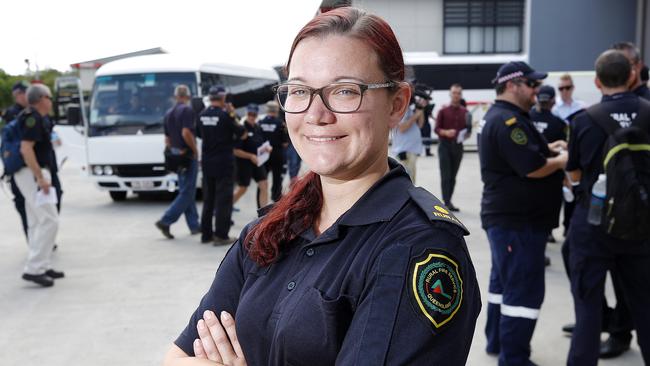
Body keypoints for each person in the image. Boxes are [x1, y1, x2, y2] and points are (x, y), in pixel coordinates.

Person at [164, 7, 480, 365]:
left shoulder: (417, 247)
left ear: (397, 104)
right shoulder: (270, 229)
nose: (316, 115)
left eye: (345, 91)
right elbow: (179, 358)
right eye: (299, 91)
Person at [479, 61, 568, 366]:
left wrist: (550, 147)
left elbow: (527, 153)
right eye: (531, 85)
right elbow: (532, 167)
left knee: (503, 284)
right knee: (523, 291)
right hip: (518, 222)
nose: (537, 91)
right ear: (513, 85)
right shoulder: (508, 122)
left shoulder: (509, 117)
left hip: (509, 220)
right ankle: (514, 358)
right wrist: (561, 160)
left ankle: (497, 342)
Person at [565, 49, 650, 366]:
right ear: (632, 76)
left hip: (594, 224)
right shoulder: (648, 111)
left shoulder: (584, 120)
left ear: (597, 82)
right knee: (644, 305)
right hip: (641, 226)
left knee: (587, 309)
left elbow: (573, 173)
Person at [14, 84, 64, 287]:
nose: (51, 101)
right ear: (42, 98)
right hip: (30, 173)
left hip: (30, 173)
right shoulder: (32, 118)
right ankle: (34, 268)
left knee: (36, 222)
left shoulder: (37, 118)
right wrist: (40, 178)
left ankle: (41, 265)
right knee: (50, 220)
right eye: (50, 97)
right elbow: (26, 149)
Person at [197, 86, 245, 246]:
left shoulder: (201, 115)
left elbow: (198, 133)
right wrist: (232, 113)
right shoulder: (226, 116)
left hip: (207, 162)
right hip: (224, 163)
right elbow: (242, 132)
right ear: (222, 98)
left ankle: (206, 234)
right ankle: (221, 235)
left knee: (208, 199)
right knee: (223, 200)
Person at [155, 85, 200, 239]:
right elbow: (186, 132)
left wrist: (173, 153)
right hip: (186, 154)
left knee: (187, 190)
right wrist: (194, 150)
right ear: (187, 96)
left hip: (175, 153)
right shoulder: (187, 110)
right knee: (187, 192)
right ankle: (165, 220)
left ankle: (194, 225)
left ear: (175, 96)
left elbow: (167, 139)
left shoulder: (168, 113)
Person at [529, 85, 568, 244]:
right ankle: (547, 232)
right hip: (551, 170)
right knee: (551, 205)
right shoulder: (558, 123)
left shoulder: (526, 117)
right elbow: (563, 149)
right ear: (553, 101)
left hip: (529, 170)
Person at [435, 83, 469, 211]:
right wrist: (445, 132)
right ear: (450, 94)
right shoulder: (443, 111)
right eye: (454, 93)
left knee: (453, 176)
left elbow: (467, 129)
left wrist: (466, 135)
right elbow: (436, 129)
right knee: (446, 175)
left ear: (461, 95)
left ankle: (449, 201)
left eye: (458, 93)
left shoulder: (465, 112)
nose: (456, 95)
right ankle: (446, 202)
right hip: (444, 146)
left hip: (458, 147)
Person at [3, 81, 30, 238]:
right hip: (20, 168)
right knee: (24, 205)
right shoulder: (13, 114)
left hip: (35, 165)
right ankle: (33, 240)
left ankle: (40, 239)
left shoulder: (32, 110)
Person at [232, 104, 269, 209]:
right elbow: (235, 151)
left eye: (254, 114)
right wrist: (250, 156)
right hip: (244, 163)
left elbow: (260, 143)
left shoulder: (257, 127)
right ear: (246, 114)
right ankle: (226, 209)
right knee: (242, 189)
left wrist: (266, 148)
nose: (251, 116)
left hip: (257, 161)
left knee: (264, 184)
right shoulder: (242, 128)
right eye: (250, 114)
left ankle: (263, 214)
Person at [391, 82, 424, 182]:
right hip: (403, 149)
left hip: (412, 149)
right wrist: (416, 115)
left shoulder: (410, 107)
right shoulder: (398, 108)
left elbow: (420, 125)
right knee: (405, 180)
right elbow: (402, 128)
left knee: (412, 180)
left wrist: (420, 109)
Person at [257, 101, 288, 202]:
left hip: (263, 154)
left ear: (267, 110)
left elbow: (257, 139)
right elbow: (285, 143)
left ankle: (260, 201)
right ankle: (276, 198)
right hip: (277, 154)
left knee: (262, 179)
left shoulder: (260, 123)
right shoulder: (280, 123)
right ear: (277, 110)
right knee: (277, 178)